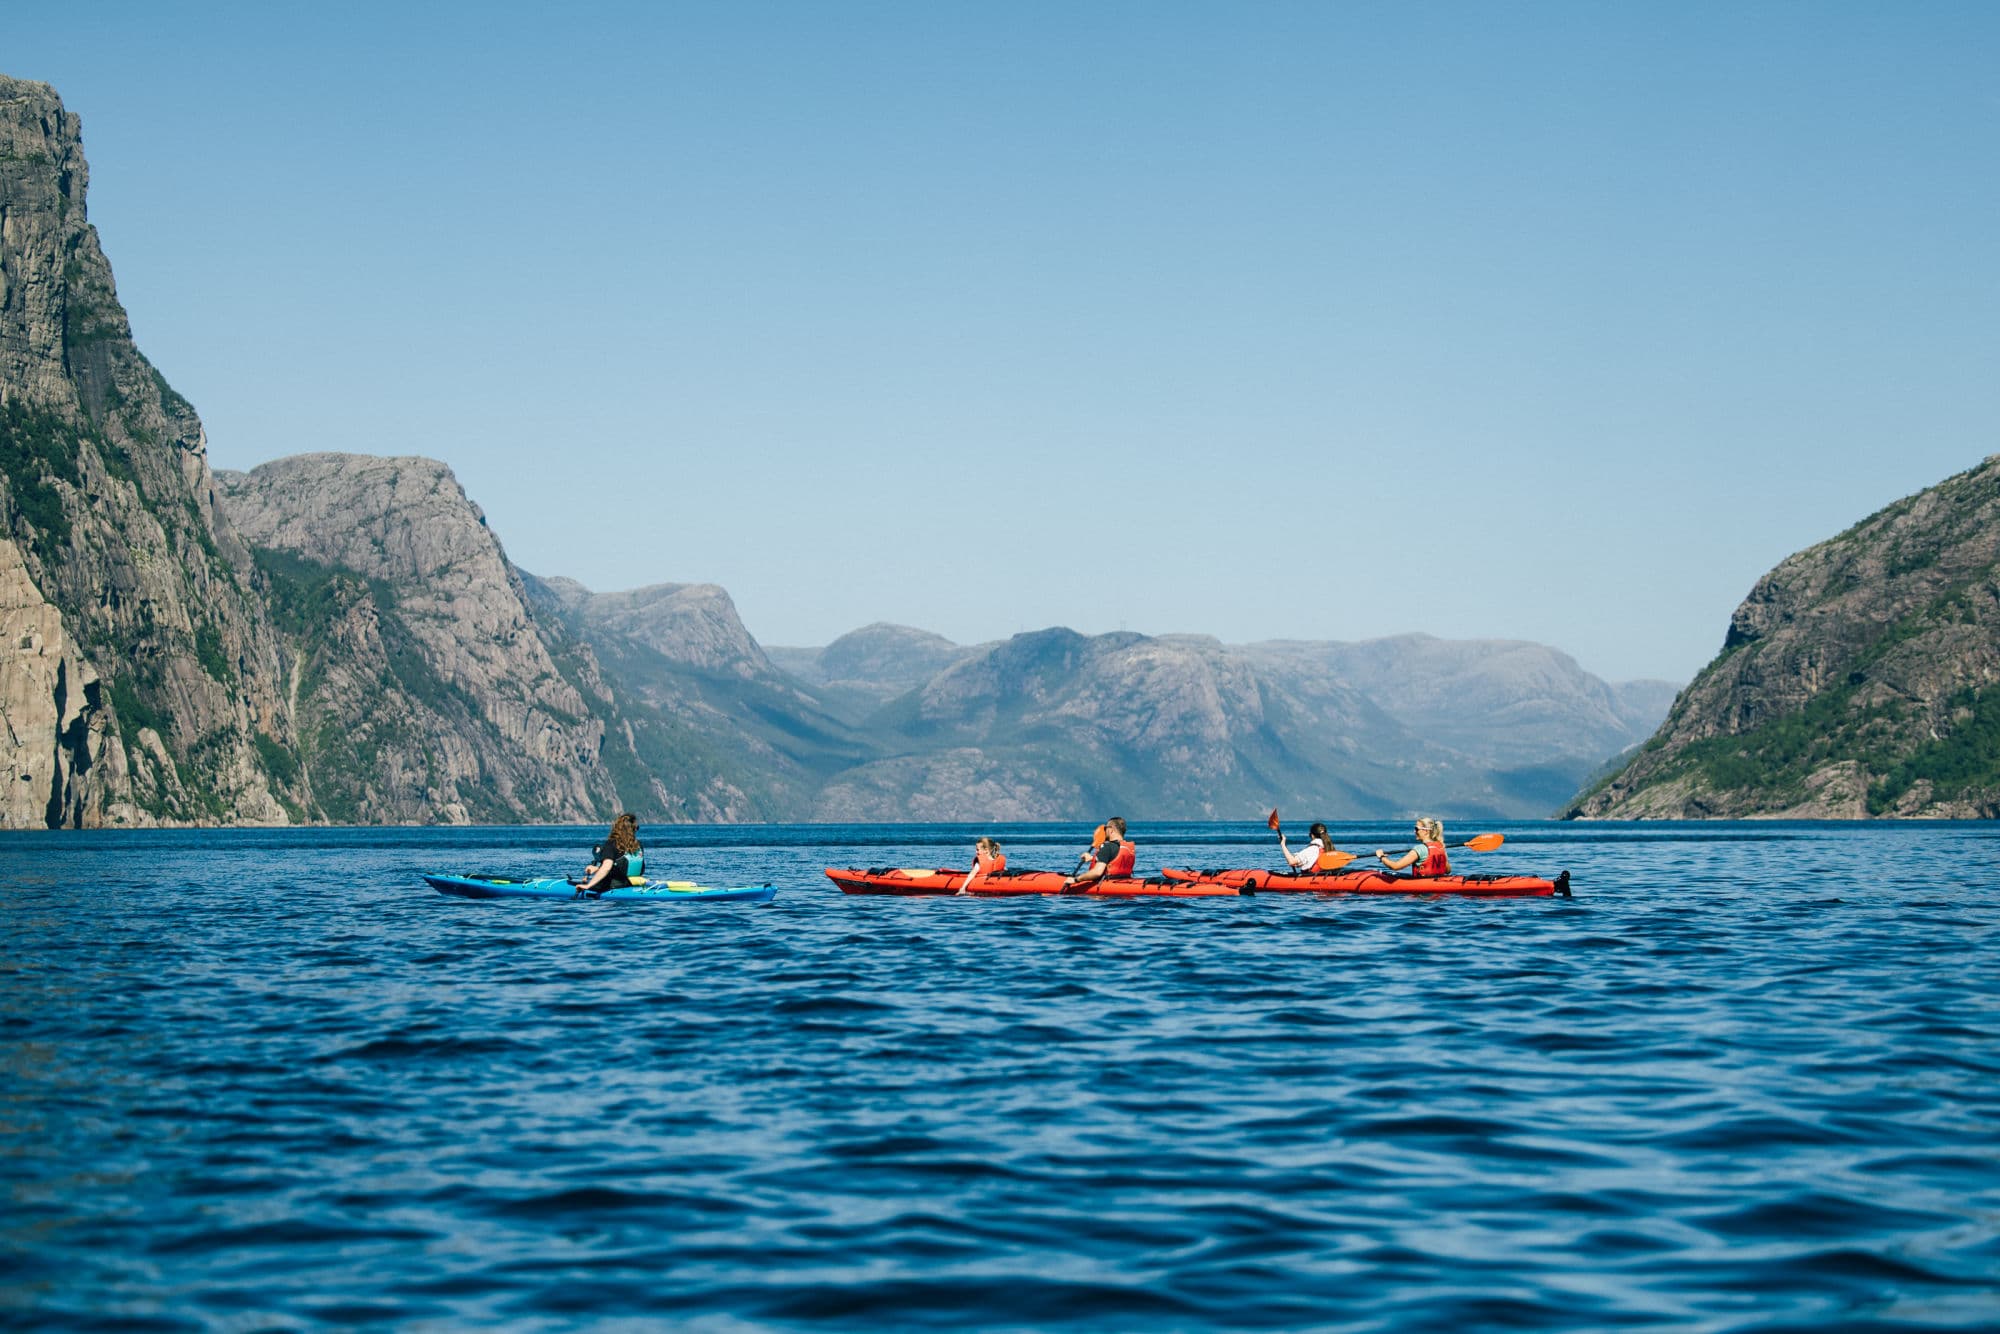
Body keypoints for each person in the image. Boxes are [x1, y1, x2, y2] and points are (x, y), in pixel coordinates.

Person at [577, 813, 645, 895]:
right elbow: (621, 867)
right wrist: (597, 869)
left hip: (613, 886)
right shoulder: (638, 845)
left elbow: (607, 868)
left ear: (617, 828)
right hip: (633, 884)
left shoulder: (612, 844)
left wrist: (588, 886)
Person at [1064, 817, 1135, 890]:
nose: (1105, 831)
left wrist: (1076, 879)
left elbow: (1097, 872)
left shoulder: (1107, 847)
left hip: (1107, 887)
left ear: (1111, 830)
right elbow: (1113, 860)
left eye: (1106, 828)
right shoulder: (1127, 848)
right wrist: (1092, 858)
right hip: (1124, 881)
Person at [1377, 818, 1449, 877]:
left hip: (1422, 888)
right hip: (1438, 884)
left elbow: (1395, 866)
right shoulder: (1440, 847)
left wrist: (1382, 857)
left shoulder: (1419, 849)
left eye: (1416, 829)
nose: (1414, 831)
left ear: (1426, 831)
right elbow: (1448, 870)